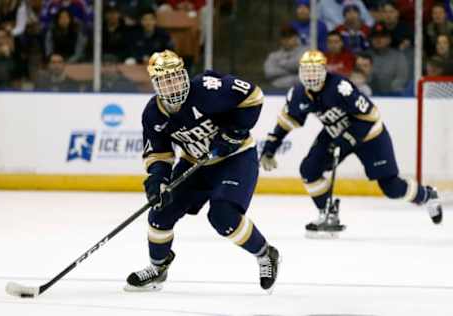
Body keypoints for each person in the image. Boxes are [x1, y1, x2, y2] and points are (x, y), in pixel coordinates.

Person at [124, 50, 280, 293]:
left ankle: (265, 254)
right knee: (160, 213)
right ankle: (158, 268)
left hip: (235, 158)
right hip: (194, 163)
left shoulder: (207, 88)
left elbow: (253, 96)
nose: (173, 85)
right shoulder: (153, 114)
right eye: (165, 80)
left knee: (223, 216)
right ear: (155, 84)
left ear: (185, 75)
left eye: (176, 77)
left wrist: (234, 133)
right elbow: (159, 153)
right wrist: (158, 179)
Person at [259, 50, 443, 237]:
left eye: (315, 71)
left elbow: (370, 116)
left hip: (370, 135)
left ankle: (427, 195)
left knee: (392, 188)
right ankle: (327, 212)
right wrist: (269, 149)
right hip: (335, 133)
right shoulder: (298, 93)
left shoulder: (341, 87)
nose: (311, 76)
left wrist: (346, 140)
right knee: (309, 169)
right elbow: (285, 122)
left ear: (324, 70)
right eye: (307, 71)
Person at [367, 22, 408, 95]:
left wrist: (388, 95)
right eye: (375, 37)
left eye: (382, 36)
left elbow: (401, 79)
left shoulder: (398, 56)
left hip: (393, 97)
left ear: (389, 39)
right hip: (369, 96)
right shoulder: (365, 56)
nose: (378, 40)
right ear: (371, 39)